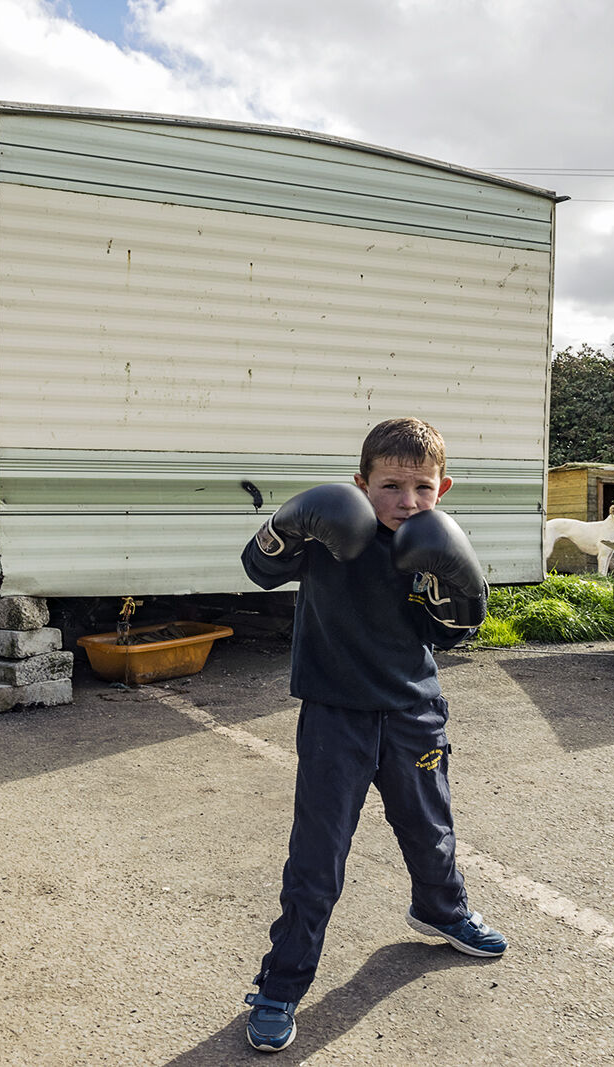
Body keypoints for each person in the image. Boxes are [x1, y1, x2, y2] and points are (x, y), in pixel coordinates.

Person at [238, 416, 505, 1053]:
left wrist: (461, 598)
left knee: (428, 825)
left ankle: (440, 911)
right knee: (317, 854)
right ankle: (281, 983)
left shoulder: (434, 543)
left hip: (414, 710)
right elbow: (259, 572)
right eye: (390, 486)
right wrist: (282, 525)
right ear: (362, 484)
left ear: (445, 487)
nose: (406, 501)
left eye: (422, 487)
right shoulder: (333, 533)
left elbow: (450, 636)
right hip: (336, 714)